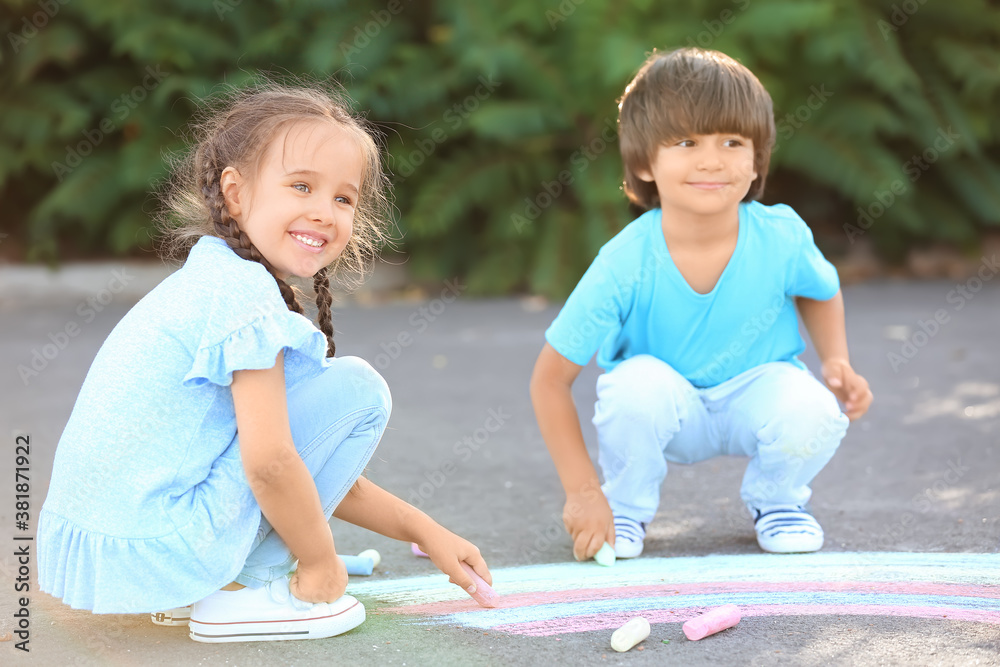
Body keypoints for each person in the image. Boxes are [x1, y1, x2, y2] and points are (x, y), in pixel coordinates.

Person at [37, 80, 490, 643]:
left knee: (324, 418)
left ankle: (216, 582)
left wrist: (425, 531)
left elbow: (307, 462)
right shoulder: (244, 299)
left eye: (343, 198)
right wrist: (318, 564)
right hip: (163, 546)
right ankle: (248, 590)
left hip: (123, 546)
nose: (324, 212)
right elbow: (273, 465)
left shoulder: (215, 276)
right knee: (359, 390)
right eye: (302, 186)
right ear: (234, 193)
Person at [529, 48, 873, 562]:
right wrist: (584, 492)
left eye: (733, 141)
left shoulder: (780, 235)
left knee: (814, 409)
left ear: (757, 157)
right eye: (686, 142)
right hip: (667, 405)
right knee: (632, 389)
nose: (712, 160)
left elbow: (820, 290)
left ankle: (778, 501)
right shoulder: (624, 261)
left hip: (755, 392)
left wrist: (837, 360)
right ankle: (624, 506)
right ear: (645, 162)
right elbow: (549, 380)